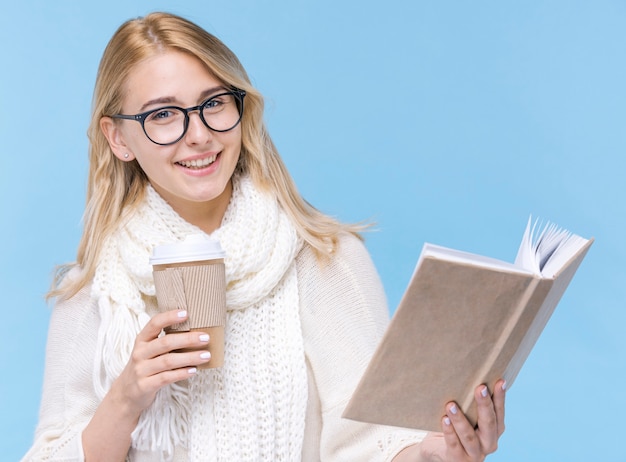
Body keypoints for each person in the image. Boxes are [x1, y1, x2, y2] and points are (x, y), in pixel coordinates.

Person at [22, 12, 506, 462]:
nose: (199, 135)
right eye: (164, 115)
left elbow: (371, 446)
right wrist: (127, 397)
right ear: (118, 138)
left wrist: (438, 453)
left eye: (213, 103)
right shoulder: (94, 294)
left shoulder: (325, 259)